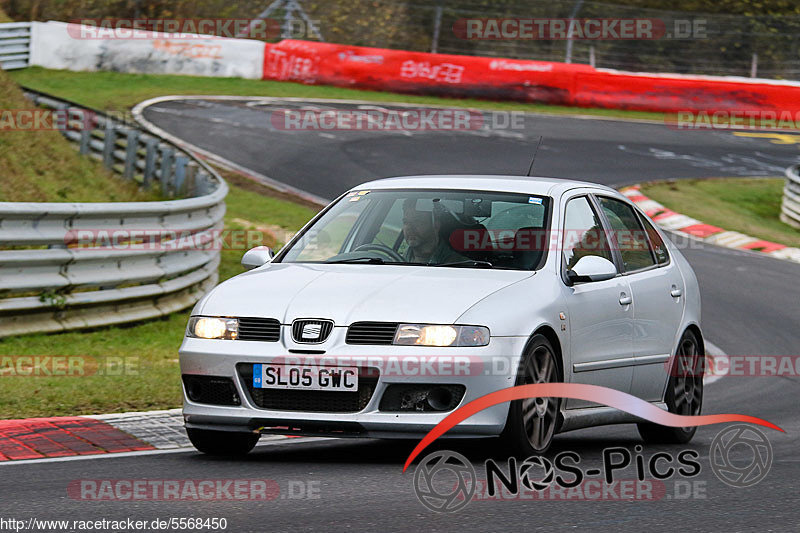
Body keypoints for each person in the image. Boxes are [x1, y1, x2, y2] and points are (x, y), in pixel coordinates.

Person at [401, 198, 469, 265]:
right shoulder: (397, 260)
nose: (409, 227)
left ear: (436, 224)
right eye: (406, 222)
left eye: (417, 221)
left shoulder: (458, 265)